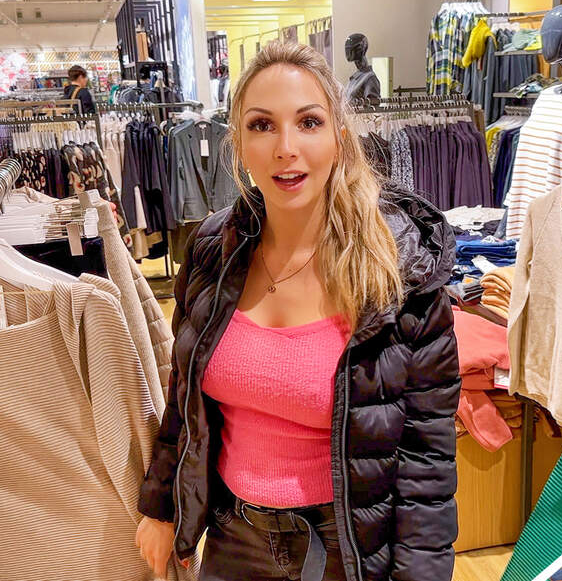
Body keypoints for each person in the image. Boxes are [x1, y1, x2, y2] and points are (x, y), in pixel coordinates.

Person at [134, 41, 461, 581]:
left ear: (338, 137)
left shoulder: (399, 271)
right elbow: (183, 395)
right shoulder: (214, 250)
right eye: (262, 125)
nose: (286, 148)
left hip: (346, 547)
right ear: (238, 144)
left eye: (309, 122)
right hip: (232, 539)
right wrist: (163, 504)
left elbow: (427, 460)